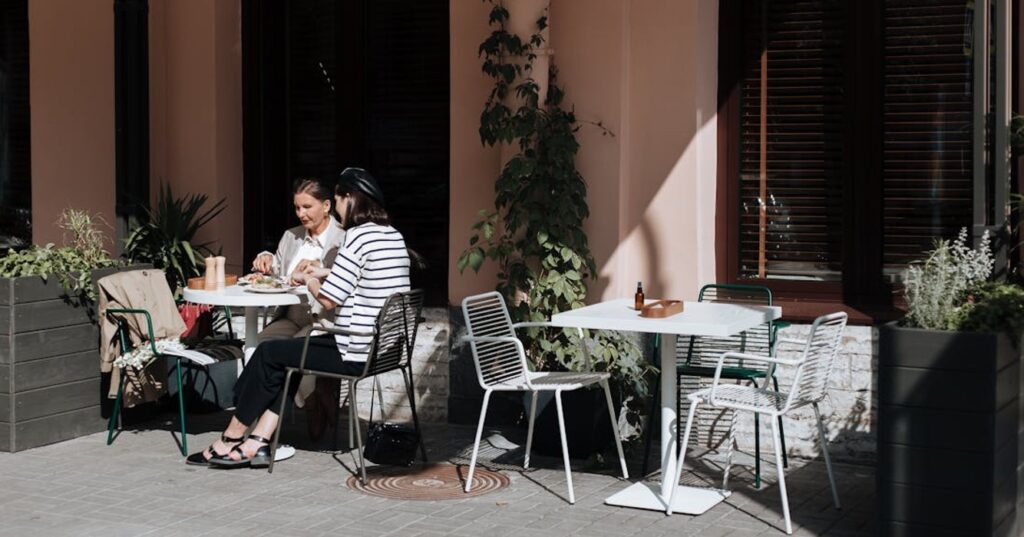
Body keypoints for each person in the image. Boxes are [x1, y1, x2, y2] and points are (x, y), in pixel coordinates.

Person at [195, 167, 411, 468]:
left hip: (354, 349)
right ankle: (257, 443)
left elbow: (325, 298)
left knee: (270, 355)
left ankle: (230, 437)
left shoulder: (357, 237)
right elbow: (363, 276)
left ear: (348, 199)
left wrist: (307, 278)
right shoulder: (392, 236)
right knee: (283, 360)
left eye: (336, 201)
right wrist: (323, 271)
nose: (337, 209)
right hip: (387, 350)